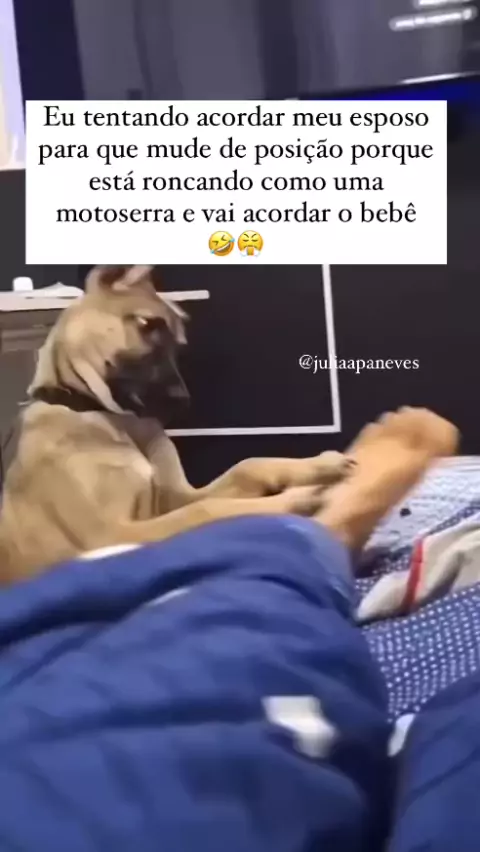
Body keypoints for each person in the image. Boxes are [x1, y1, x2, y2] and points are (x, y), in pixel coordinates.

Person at [0, 407, 458, 851]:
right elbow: (105, 539)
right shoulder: (57, 441)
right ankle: (318, 537)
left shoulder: (134, 431)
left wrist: (242, 483)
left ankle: (296, 546)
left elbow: (167, 508)